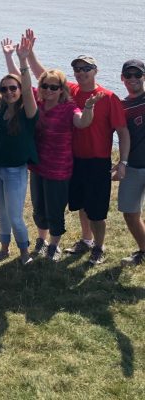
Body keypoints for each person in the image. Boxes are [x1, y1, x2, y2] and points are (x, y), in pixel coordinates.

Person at [26, 37, 130, 265]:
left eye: (86, 69)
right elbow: (43, 76)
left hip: (97, 160)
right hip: (73, 160)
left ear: (95, 71)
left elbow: (122, 132)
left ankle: (99, 247)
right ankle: (86, 240)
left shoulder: (108, 97)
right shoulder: (71, 91)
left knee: (97, 209)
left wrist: (122, 162)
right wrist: (29, 53)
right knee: (81, 203)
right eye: (77, 69)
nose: (81, 72)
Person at [29, 69, 102, 260]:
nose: (49, 90)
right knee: (39, 207)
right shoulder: (38, 101)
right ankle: (41, 239)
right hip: (37, 167)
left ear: (62, 89)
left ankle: (54, 246)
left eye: (54, 86)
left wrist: (89, 108)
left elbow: (82, 123)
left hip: (59, 170)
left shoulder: (69, 108)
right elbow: (18, 82)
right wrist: (18, 58)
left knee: (55, 209)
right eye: (45, 85)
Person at [0, 37, 38, 266]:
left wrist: (22, 59)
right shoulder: (4, 107)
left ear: (19, 90)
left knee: (16, 216)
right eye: (5, 89)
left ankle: (25, 253)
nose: (8, 92)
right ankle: (4, 249)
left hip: (16, 171)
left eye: (13, 88)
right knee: (1, 212)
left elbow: (28, 88)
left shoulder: (28, 111)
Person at [117, 59, 145, 266]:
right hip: (133, 166)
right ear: (122, 78)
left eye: (138, 75)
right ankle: (143, 251)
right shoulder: (121, 106)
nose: (133, 79)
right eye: (129, 75)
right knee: (129, 212)